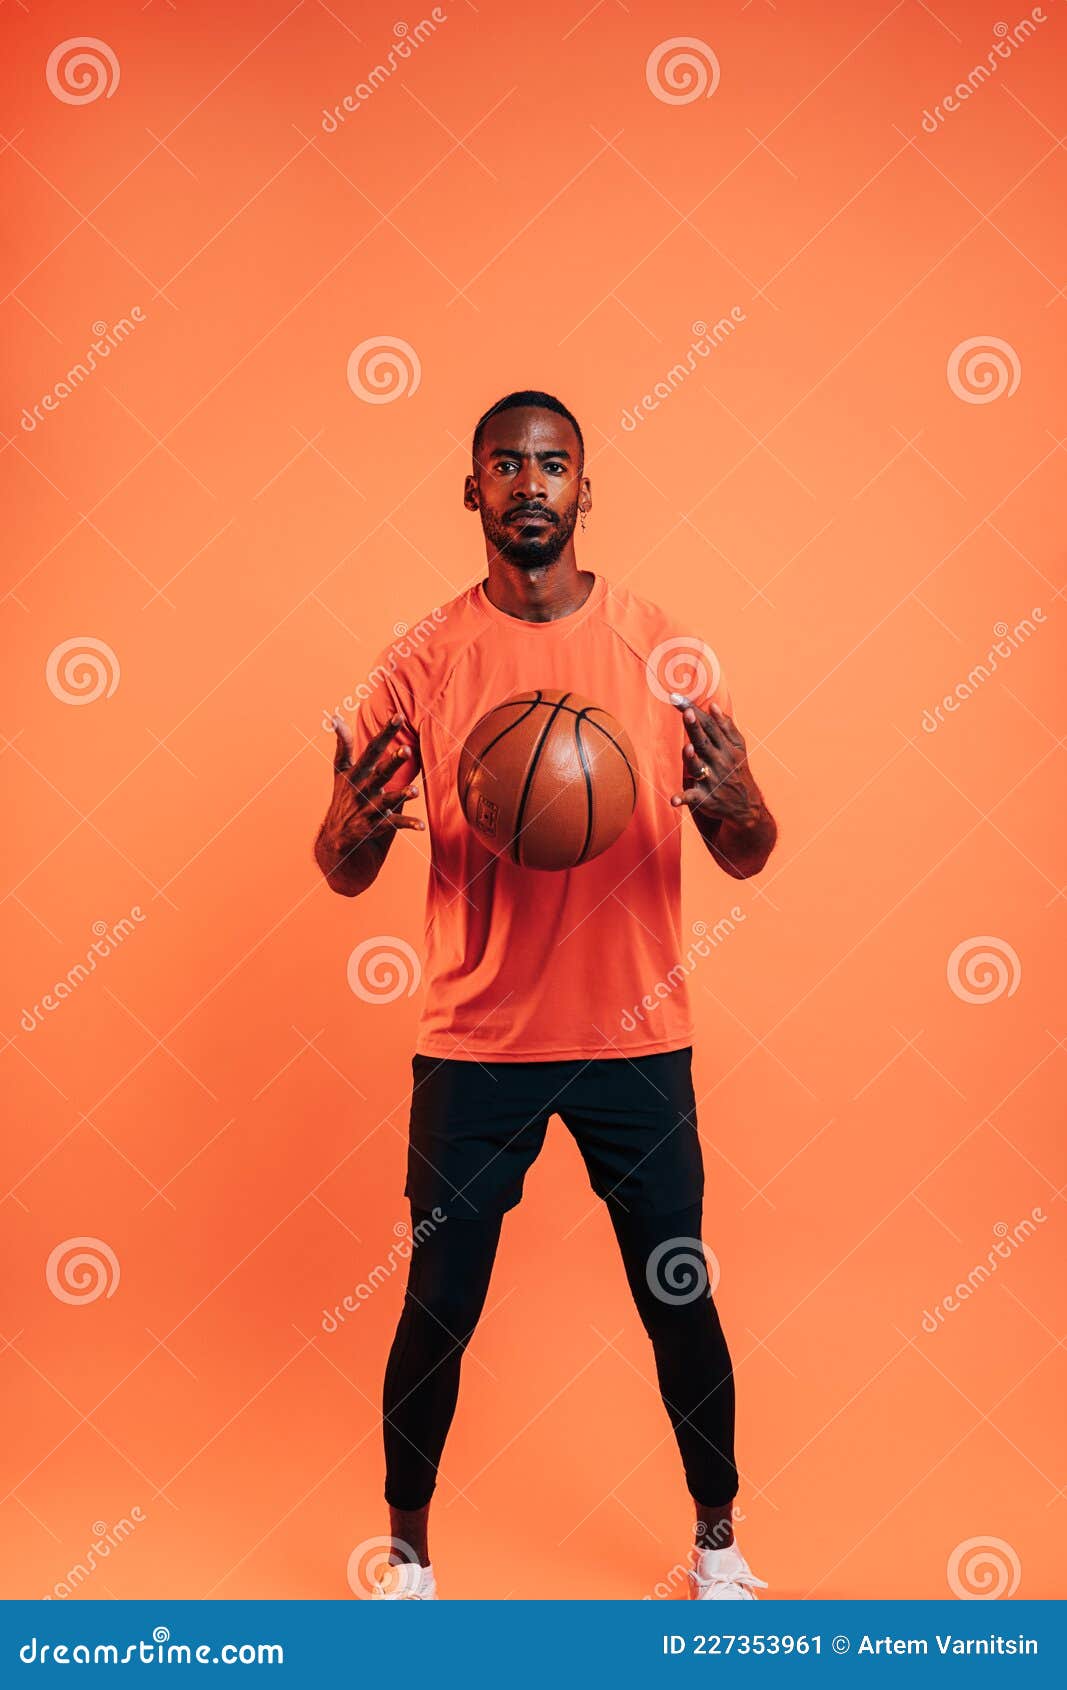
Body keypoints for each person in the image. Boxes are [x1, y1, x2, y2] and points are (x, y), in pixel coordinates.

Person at [314, 391, 778, 1600]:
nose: (530, 483)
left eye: (552, 464)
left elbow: (745, 850)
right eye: (506, 464)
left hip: (636, 1035)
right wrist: (341, 832)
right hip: (475, 1040)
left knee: (676, 1289)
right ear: (470, 488)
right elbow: (342, 866)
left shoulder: (661, 648)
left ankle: (717, 1549)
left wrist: (745, 810)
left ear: (583, 487)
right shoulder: (421, 660)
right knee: (439, 1301)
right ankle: (405, 1560)